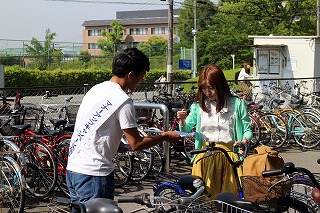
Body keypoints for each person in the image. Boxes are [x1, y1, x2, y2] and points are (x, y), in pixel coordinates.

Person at [66, 48, 181, 204]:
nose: (141, 81)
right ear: (131, 75)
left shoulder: (96, 89)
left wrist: (116, 143)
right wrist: (165, 136)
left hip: (74, 170)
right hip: (95, 175)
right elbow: (137, 144)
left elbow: (96, 130)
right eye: (141, 77)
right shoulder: (122, 100)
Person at [177, 64, 252, 199]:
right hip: (204, 157)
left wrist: (244, 141)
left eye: (211, 87)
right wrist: (182, 120)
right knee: (205, 200)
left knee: (228, 199)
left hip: (229, 157)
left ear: (220, 85)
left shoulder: (236, 104)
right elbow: (186, 129)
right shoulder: (198, 106)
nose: (207, 92)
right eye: (203, 88)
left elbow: (247, 130)